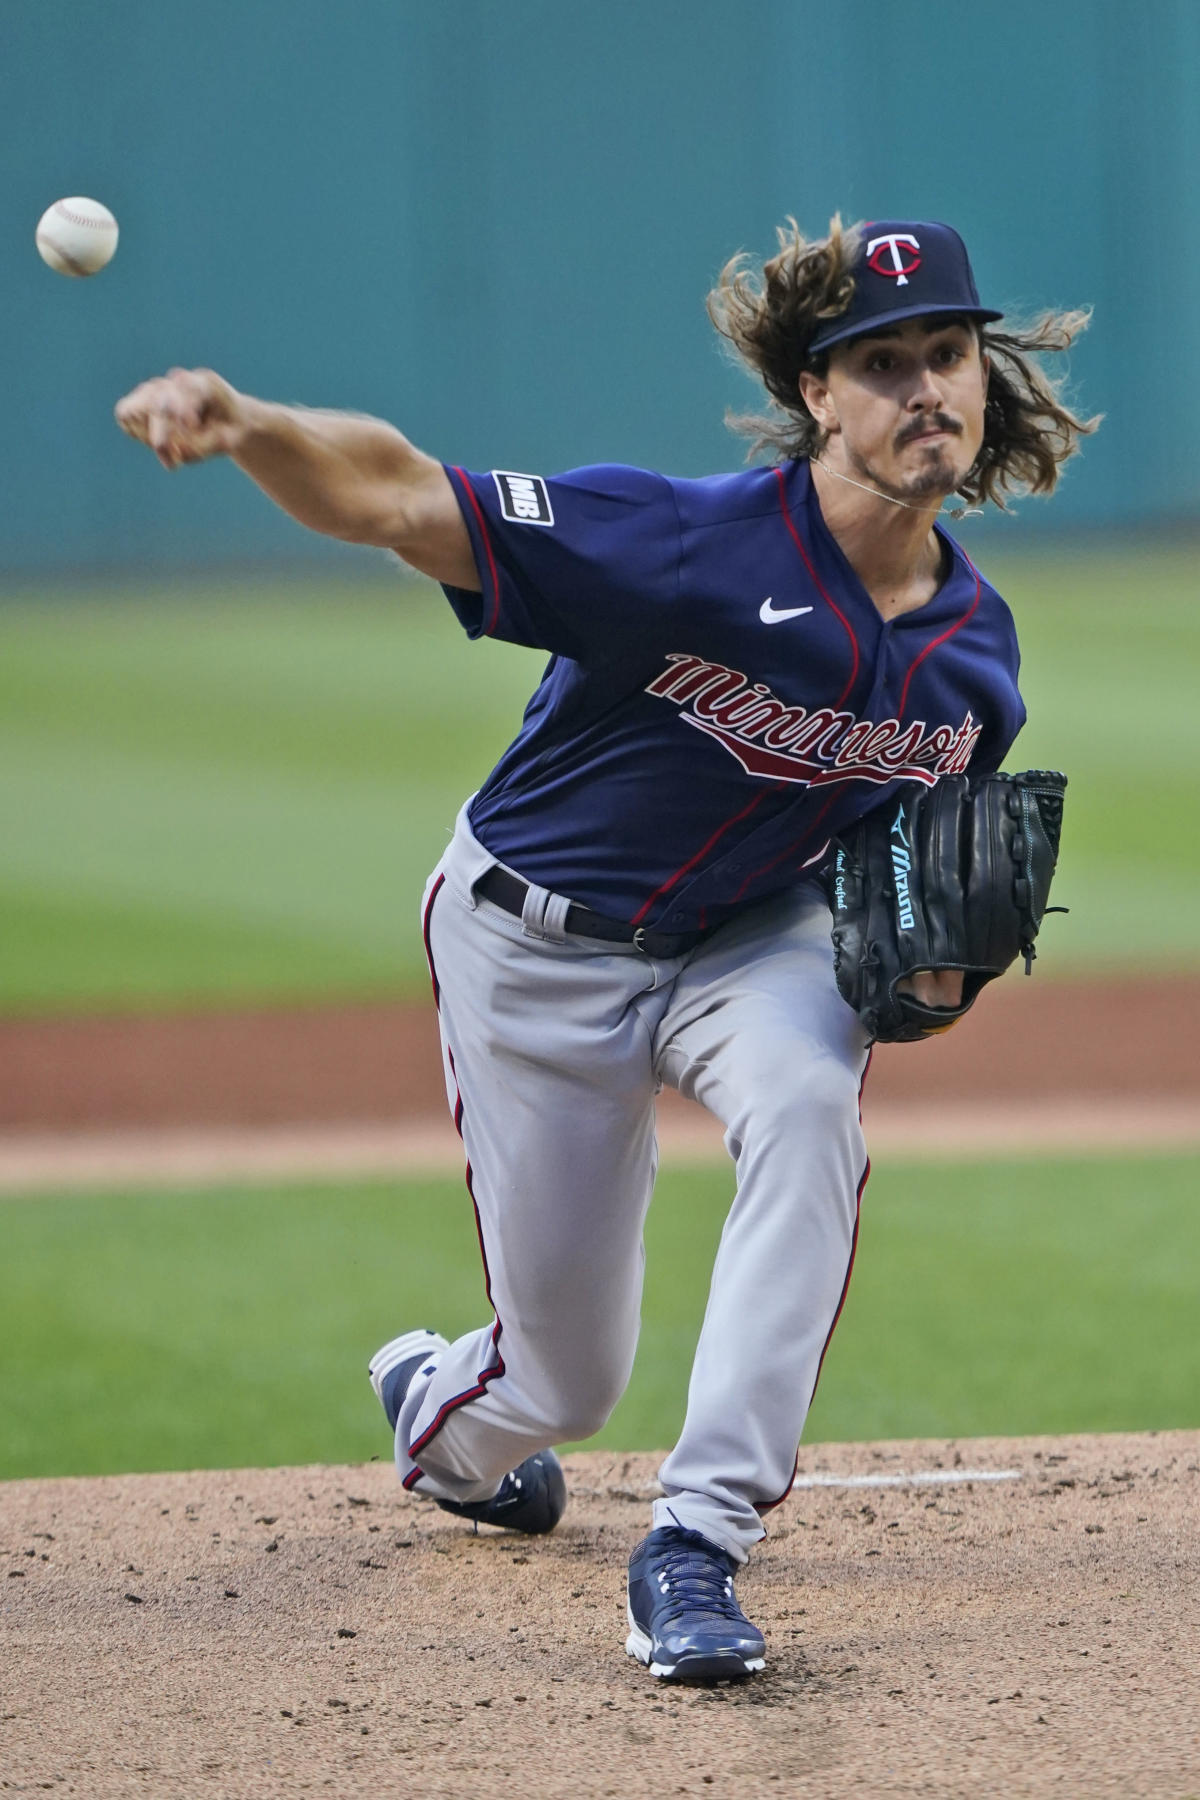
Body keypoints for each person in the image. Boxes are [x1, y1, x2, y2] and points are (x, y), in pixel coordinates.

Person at [115, 217, 1095, 1683]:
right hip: (537, 945)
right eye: (879, 363)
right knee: (563, 1384)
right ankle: (445, 1423)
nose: (924, 390)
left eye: (944, 353)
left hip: (748, 944)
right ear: (817, 396)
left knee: (813, 1107)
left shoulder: (976, 655)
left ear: (983, 372)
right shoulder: (680, 546)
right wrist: (248, 422)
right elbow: (398, 497)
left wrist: (935, 965)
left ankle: (695, 1541)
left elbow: (903, 862)